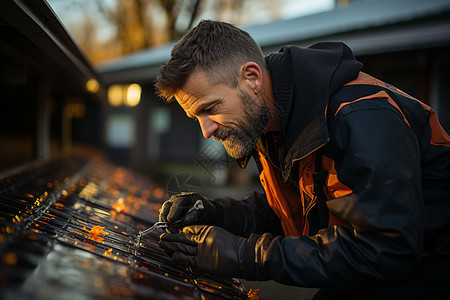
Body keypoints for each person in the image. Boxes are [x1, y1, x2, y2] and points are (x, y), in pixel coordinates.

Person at [154, 20, 450, 299]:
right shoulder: (269, 123)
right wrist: (217, 214)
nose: (206, 131)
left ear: (252, 78)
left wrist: (244, 255)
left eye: (210, 108)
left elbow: (387, 250)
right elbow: (291, 215)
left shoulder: (358, 118)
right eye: (196, 117)